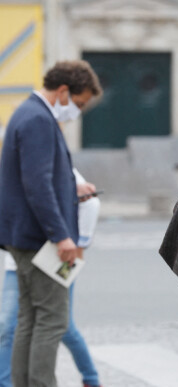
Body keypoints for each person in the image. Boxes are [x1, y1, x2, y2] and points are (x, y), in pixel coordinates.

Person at [0, 60, 102, 387]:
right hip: (39, 238)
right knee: (52, 320)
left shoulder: (28, 113)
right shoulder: (39, 120)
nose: (78, 111)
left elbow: (34, 178)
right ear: (62, 92)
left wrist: (70, 188)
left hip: (24, 235)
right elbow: (37, 184)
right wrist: (62, 236)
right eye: (79, 103)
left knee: (30, 319)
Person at [0, 170, 102, 387]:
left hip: (57, 259)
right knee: (8, 325)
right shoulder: (11, 164)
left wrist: (75, 249)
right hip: (18, 259)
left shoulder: (52, 161)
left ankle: (91, 379)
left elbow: (90, 203)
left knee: (63, 326)